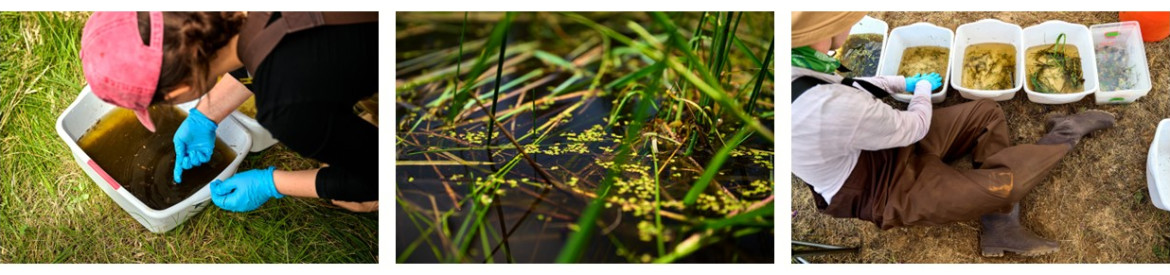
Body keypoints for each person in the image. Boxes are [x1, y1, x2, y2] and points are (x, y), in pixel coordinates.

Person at [790, 12, 1115, 257]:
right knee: (1006, 185)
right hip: (885, 188)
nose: (851, 24)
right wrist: (919, 88)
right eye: (843, 19)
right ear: (819, 32)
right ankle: (1066, 133)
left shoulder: (797, 62)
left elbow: (856, 84)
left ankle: (998, 224)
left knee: (985, 112)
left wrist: (903, 82)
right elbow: (912, 127)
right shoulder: (821, 108)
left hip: (882, 142)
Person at [79, 11, 378, 213]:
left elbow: (383, 174)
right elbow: (266, 41)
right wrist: (205, 116)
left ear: (175, 93)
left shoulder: (286, 109)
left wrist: (272, 183)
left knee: (354, 192)